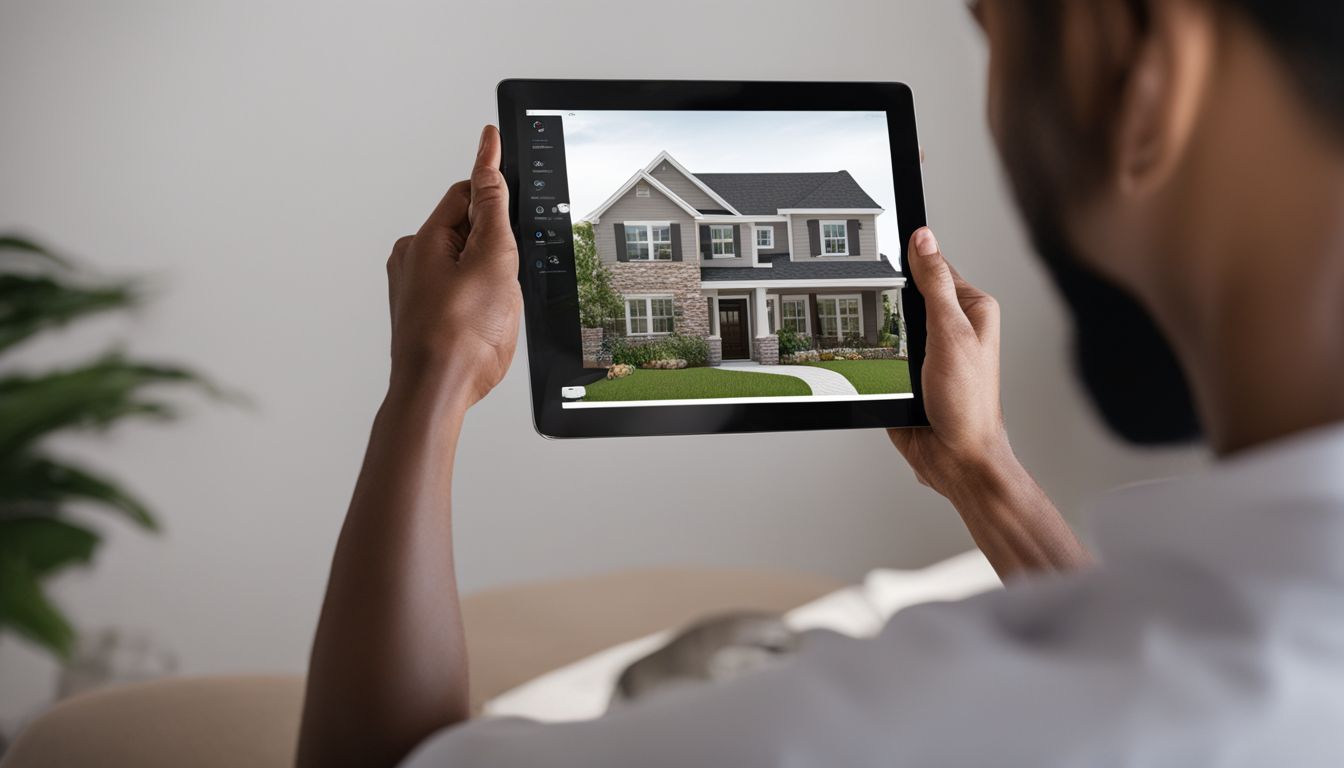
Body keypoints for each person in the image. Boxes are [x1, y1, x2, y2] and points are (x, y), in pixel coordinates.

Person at [297, 0, 1344, 765]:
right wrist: (984, 473)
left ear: (1137, 65)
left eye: (991, 25)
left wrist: (432, 377)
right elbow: (1143, 651)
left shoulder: (898, 728)